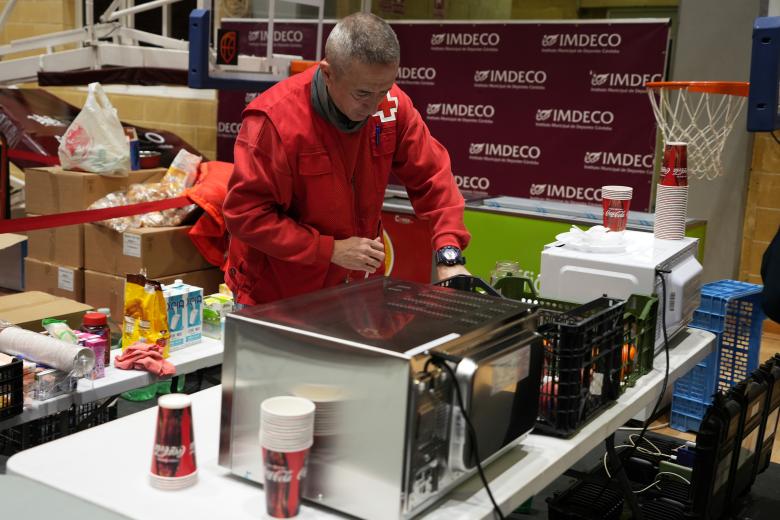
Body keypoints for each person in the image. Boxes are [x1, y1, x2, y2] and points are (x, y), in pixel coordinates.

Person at [223, 12, 470, 305]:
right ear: (328, 74)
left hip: (357, 289)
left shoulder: (391, 106)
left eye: (384, 90)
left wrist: (449, 253)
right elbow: (246, 215)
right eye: (362, 93)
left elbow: (433, 177)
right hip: (277, 294)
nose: (374, 106)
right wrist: (330, 250)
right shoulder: (275, 122)